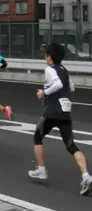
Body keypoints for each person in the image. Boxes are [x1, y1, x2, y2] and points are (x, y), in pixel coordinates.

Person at [28, 43, 92, 196]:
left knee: (37, 136)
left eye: (46, 54)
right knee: (71, 145)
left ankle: (41, 170)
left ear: (49, 57)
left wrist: (44, 92)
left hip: (52, 111)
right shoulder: (65, 70)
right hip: (65, 111)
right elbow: (71, 88)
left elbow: (58, 84)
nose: (45, 57)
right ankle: (86, 176)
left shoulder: (49, 69)